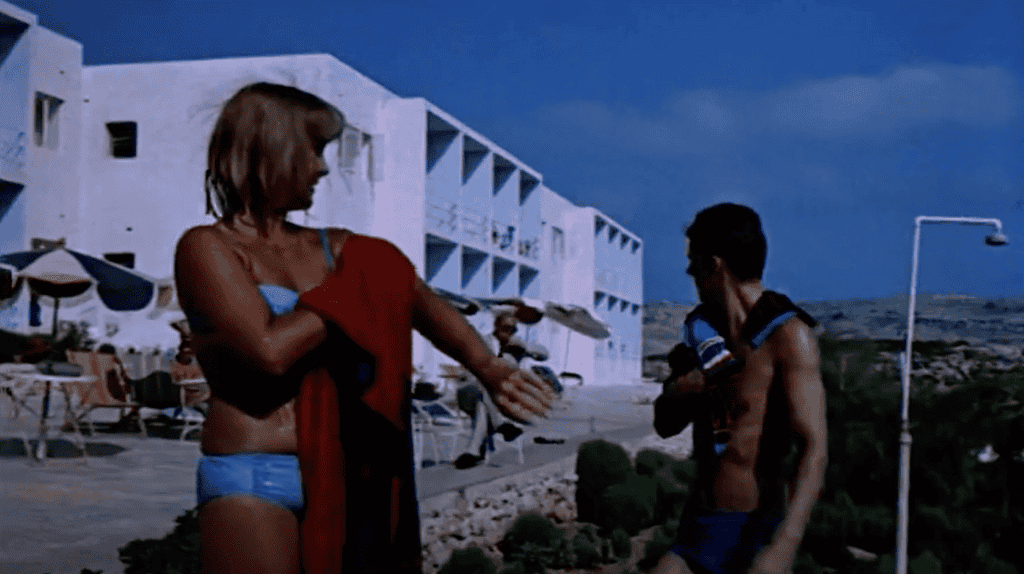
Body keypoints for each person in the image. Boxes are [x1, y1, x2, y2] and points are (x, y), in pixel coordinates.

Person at [173, 82, 554, 574]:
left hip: (350, 474)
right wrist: (348, 292)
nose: (323, 168)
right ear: (273, 149)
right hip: (257, 471)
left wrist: (487, 366)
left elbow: (422, 303)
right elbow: (267, 353)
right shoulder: (208, 247)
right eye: (314, 149)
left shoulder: (341, 249)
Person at [651, 203, 827, 574]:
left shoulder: (789, 337)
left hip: (755, 531)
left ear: (714, 266)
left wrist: (784, 546)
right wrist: (681, 391)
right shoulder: (702, 337)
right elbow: (664, 424)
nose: (689, 274)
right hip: (698, 527)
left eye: (693, 265)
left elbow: (814, 447)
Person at [452, 311, 549, 469]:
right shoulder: (483, 341)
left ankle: (473, 451)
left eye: (512, 328)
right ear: (497, 326)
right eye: (505, 327)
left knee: (483, 405)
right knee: (486, 382)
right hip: (468, 392)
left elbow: (544, 355)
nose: (508, 331)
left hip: (490, 400)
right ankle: (500, 425)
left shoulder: (516, 348)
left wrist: (525, 347)